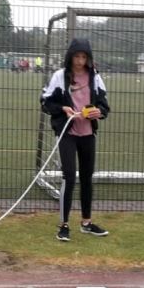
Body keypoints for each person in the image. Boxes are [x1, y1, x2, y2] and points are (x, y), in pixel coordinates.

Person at [40, 38, 110, 242]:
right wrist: (63, 108)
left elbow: (104, 105)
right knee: (69, 176)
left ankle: (86, 223)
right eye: (77, 56)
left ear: (88, 58)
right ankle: (63, 225)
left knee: (87, 177)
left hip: (87, 133)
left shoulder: (95, 77)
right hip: (67, 133)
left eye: (84, 57)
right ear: (70, 56)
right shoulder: (59, 76)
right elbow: (45, 102)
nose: (80, 61)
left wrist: (99, 112)